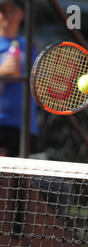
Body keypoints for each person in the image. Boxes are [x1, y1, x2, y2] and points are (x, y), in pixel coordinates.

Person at [0, 0, 38, 157]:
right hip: (1, 123)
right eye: (3, 11)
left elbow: (38, 82)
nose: (7, 16)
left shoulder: (29, 46)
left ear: (21, 14)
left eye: (12, 10)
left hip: (25, 126)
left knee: (20, 180)